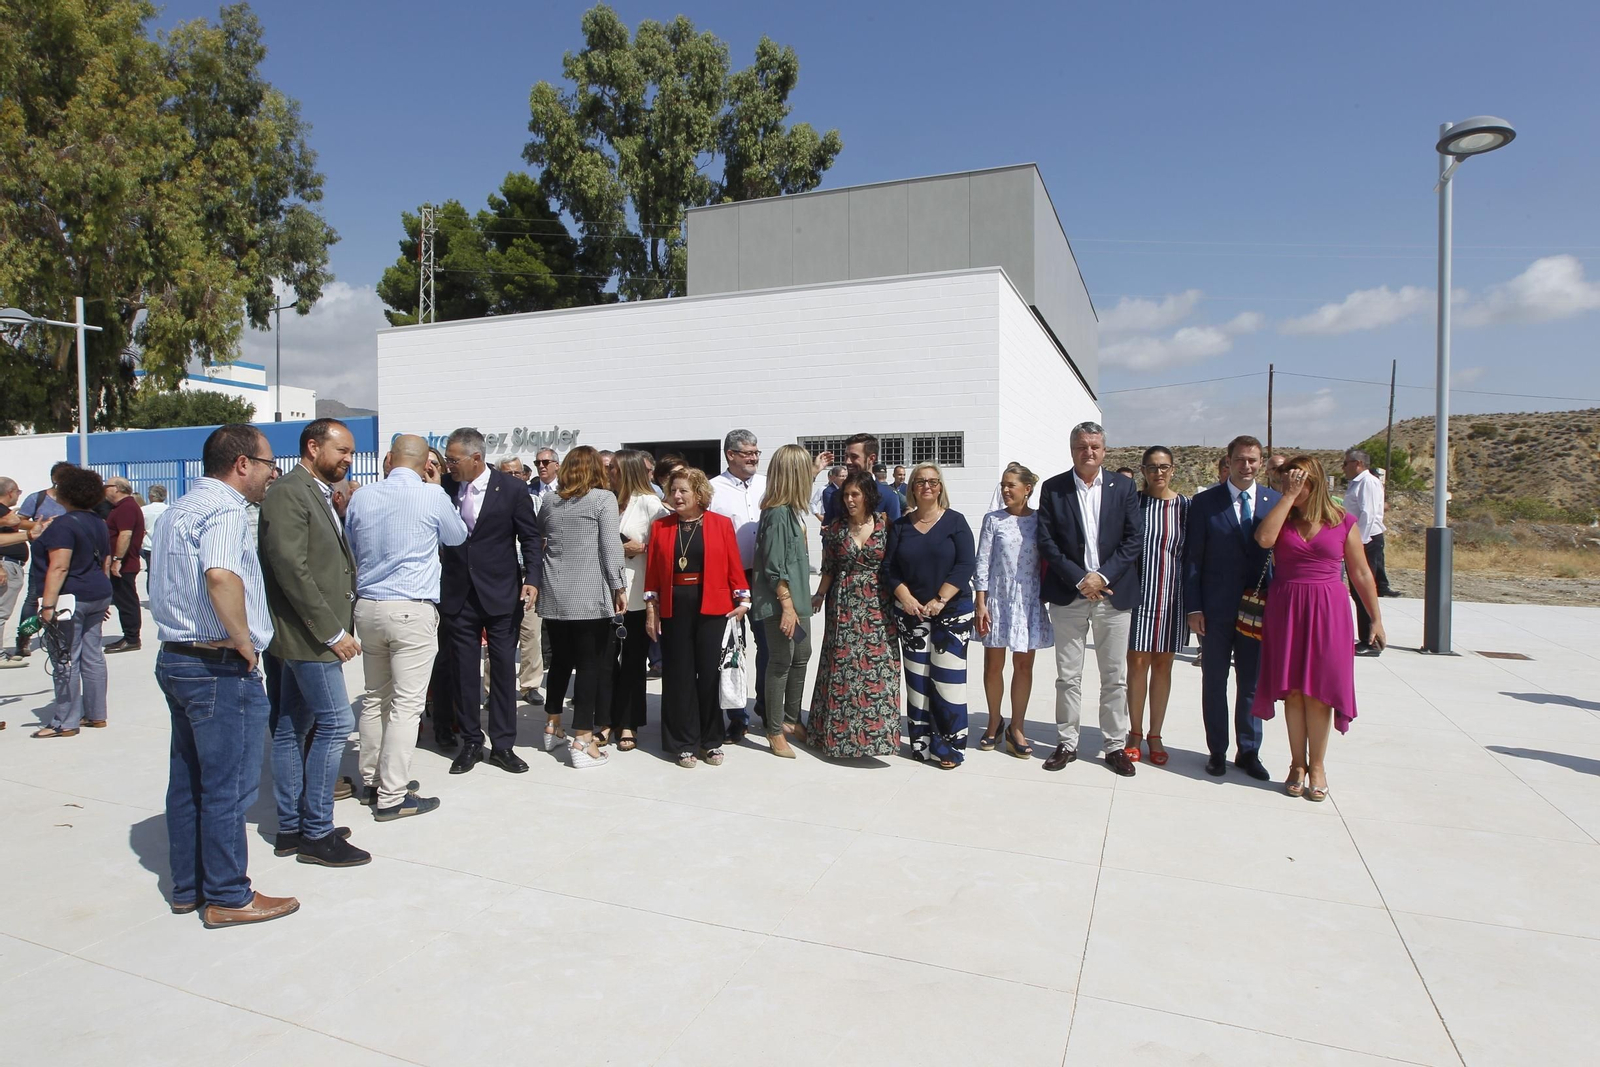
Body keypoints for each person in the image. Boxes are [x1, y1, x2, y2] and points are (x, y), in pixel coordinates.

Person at [152, 424, 299, 927]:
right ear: (242, 464)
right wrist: (243, 641)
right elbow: (220, 575)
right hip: (216, 666)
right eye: (266, 464)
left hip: (176, 658)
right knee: (228, 788)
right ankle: (229, 895)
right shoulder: (225, 511)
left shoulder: (178, 510)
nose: (269, 474)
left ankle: (188, 886)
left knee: (188, 780)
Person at [258, 418, 370, 868]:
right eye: (340, 450)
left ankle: (292, 826)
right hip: (308, 637)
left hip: (305, 634)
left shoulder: (314, 491)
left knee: (291, 727)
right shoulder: (289, 492)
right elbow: (291, 567)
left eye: (350, 452)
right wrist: (332, 631)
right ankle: (316, 833)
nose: (347, 459)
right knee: (335, 723)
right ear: (312, 447)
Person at [347, 434, 468, 821]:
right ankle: (393, 795)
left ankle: (372, 780)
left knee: (374, 697)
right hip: (410, 608)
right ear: (424, 464)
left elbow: (352, 541)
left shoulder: (363, 495)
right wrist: (435, 490)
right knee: (407, 705)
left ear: (390, 460)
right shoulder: (431, 496)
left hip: (367, 606)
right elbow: (458, 536)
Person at [1252, 457, 1385, 801]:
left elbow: (1361, 574)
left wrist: (1375, 619)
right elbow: (1264, 539)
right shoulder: (1283, 518)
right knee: (1293, 691)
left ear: (1317, 483)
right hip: (1287, 608)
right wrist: (1286, 497)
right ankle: (1297, 764)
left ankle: (1318, 765)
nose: (1291, 486)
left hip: (1329, 610)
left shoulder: (1343, 521)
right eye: (1286, 480)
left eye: (1299, 481)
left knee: (1320, 692)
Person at [1036, 423, 1142, 777]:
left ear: (1104, 450)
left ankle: (1114, 745)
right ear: (1072, 449)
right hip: (1070, 593)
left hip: (1113, 593)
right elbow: (1047, 541)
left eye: (1095, 447)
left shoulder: (1124, 487)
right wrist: (1082, 579)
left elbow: (1133, 539)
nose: (1089, 453)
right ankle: (1067, 742)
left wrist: (1102, 576)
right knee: (1068, 676)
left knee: (1115, 676)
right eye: (1082, 447)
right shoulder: (1054, 489)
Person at [440, 428, 542, 775]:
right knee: (465, 672)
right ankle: (470, 740)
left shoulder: (512, 488)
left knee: (501, 671)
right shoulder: (443, 487)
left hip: (500, 593)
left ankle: (502, 745)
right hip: (458, 595)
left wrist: (532, 580)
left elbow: (529, 537)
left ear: (476, 458)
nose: (448, 465)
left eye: (454, 460)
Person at [1184, 434, 1281, 780]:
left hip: (1258, 609)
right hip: (1215, 609)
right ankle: (1217, 751)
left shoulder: (1275, 502)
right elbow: (1192, 559)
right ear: (1229, 462)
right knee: (1214, 680)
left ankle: (1249, 751)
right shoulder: (1205, 503)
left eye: (1253, 460)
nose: (1247, 466)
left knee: (1251, 682)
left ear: (1261, 462)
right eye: (1240, 459)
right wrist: (1193, 607)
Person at [644, 467, 749, 768]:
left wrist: (742, 598)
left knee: (709, 674)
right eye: (673, 490)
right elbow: (652, 572)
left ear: (699, 494)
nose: (676, 496)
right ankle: (682, 742)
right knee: (679, 676)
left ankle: (711, 740)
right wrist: (651, 609)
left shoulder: (720, 524)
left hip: (712, 605)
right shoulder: (661, 527)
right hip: (674, 607)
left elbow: (733, 564)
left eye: (683, 491)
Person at [536, 445, 627, 770]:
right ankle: (583, 738)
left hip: (555, 595)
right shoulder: (603, 499)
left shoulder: (550, 501)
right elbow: (610, 546)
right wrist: (619, 586)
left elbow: (540, 533)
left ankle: (552, 723)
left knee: (560, 662)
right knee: (590, 666)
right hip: (589, 595)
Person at [808, 470, 901, 758]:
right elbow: (829, 568)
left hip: (878, 604)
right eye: (846, 495)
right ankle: (838, 738)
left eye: (855, 494)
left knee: (878, 668)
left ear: (868, 496)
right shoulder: (835, 528)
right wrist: (820, 595)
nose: (849, 500)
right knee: (843, 669)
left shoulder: (886, 525)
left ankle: (878, 739)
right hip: (844, 602)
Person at [889, 461, 976, 768]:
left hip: (951, 613)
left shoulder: (956, 522)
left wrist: (940, 599)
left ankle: (949, 748)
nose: (927, 486)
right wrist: (908, 599)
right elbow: (889, 569)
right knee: (918, 682)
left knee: (948, 682)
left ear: (941, 487)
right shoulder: (900, 526)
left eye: (933, 482)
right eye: (921, 481)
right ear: (912, 486)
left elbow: (966, 565)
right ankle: (921, 744)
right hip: (911, 615)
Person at [974, 462, 1052, 758]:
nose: (1006, 490)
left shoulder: (1041, 520)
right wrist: (980, 601)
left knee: (1023, 666)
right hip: (997, 597)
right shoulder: (993, 520)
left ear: (1027, 489)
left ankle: (1017, 726)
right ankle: (994, 720)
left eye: (1012, 485)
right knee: (993, 665)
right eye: (1003, 485)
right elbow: (982, 560)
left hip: (1028, 599)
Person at [29, 466, 113, 737]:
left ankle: (65, 721)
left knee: (65, 658)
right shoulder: (98, 522)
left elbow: (59, 567)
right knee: (93, 655)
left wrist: (47, 606)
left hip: (70, 598)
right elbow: (105, 561)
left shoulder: (64, 525)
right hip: (97, 593)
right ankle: (96, 713)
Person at [751, 443, 816, 758]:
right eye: (805, 470)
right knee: (780, 660)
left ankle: (792, 719)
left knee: (802, 652)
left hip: (798, 602)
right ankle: (774, 729)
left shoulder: (791, 509)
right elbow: (774, 565)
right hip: (781, 605)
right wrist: (787, 607)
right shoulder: (777, 513)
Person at [1127, 446, 1188, 766]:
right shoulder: (1134, 503)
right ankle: (1135, 733)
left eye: (1164, 467)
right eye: (1152, 467)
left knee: (1163, 665)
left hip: (1172, 597)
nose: (1158, 473)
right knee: (1137, 664)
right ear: (1143, 471)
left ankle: (1155, 734)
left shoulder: (1185, 507)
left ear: (1173, 470)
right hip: (1138, 597)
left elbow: (1191, 556)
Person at [709, 429, 769, 743]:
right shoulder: (712, 489)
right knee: (733, 648)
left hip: (762, 577)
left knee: (767, 645)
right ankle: (736, 715)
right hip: (727, 579)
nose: (754, 458)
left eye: (756, 452)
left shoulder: (767, 485)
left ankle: (765, 705)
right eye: (747, 453)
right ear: (730, 454)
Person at [610, 450, 669, 751]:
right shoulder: (605, 501)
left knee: (633, 663)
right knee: (606, 662)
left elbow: (668, 545)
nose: (609, 473)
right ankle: (607, 718)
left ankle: (629, 723)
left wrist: (642, 546)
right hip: (603, 594)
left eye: (615, 470)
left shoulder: (649, 503)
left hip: (636, 596)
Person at [500, 457, 546, 707]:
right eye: (508, 473)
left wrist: (534, 576)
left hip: (526, 575)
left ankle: (530, 685)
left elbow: (536, 539)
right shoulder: (490, 501)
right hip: (501, 578)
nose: (515, 477)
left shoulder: (535, 501)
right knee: (497, 636)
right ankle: (491, 687)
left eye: (518, 473)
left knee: (530, 633)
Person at [14, 461, 71, 657]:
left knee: (64, 597)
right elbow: (19, 522)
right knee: (33, 598)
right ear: (55, 479)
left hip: (68, 556)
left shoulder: (73, 499)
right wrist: (42, 525)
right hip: (42, 557)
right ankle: (23, 638)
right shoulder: (36, 498)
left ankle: (60, 637)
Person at [1343, 449, 1399, 648]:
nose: (1343, 468)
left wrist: (1359, 542)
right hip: (1360, 539)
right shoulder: (1357, 484)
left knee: (1364, 589)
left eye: (1346, 463)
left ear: (1358, 463)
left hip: (1367, 540)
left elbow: (1369, 514)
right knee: (1358, 591)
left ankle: (1371, 640)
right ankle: (1365, 636)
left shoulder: (1368, 482)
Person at [0, 477, 42, 667]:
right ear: (10, 492)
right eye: (18, 492)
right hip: (6, 564)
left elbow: (20, 524)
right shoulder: (3, 513)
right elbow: (12, 524)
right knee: (1, 612)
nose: (18, 495)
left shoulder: (6, 514)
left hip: (10, 565)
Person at [102, 476, 146, 653]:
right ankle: (129, 636)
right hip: (122, 564)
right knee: (123, 601)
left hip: (124, 565)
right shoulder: (120, 508)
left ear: (117, 489)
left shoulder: (126, 507)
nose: (104, 489)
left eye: (107, 486)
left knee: (127, 601)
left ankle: (132, 638)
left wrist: (117, 560)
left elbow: (125, 535)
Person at [823, 433, 902, 525]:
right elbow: (827, 534)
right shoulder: (837, 495)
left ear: (871, 459)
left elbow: (895, 535)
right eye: (846, 456)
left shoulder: (888, 496)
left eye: (854, 457)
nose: (847, 461)